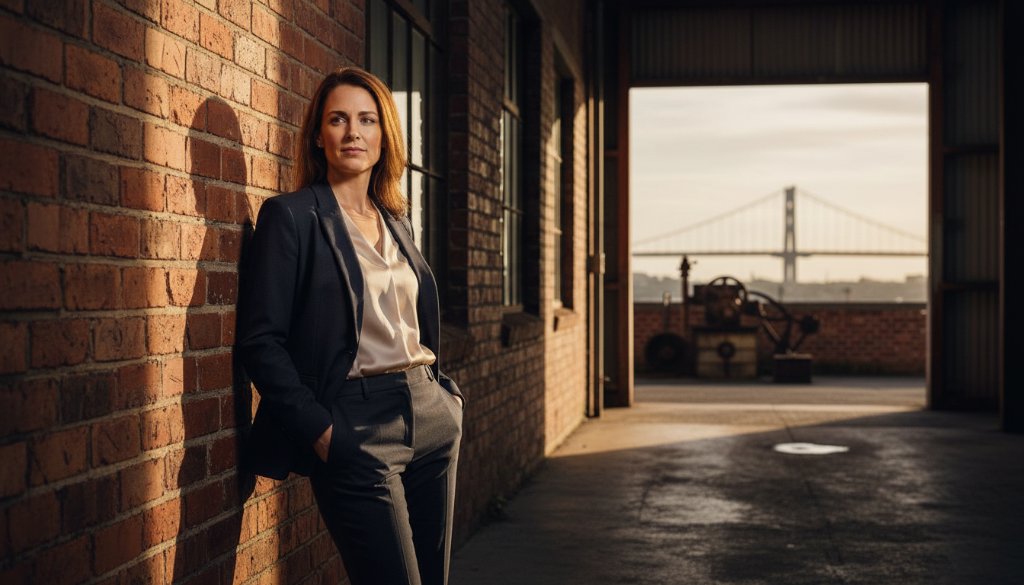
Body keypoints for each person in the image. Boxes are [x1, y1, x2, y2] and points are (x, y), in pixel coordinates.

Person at [236, 66, 466, 585]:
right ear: (319, 135)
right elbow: (260, 340)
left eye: (367, 120)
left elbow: (411, 319)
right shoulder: (291, 217)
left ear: (385, 137)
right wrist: (320, 431)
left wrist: (446, 402)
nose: (352, 132)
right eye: (337, 119)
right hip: (355, 424)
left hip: (430, 414)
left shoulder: (397, 219)